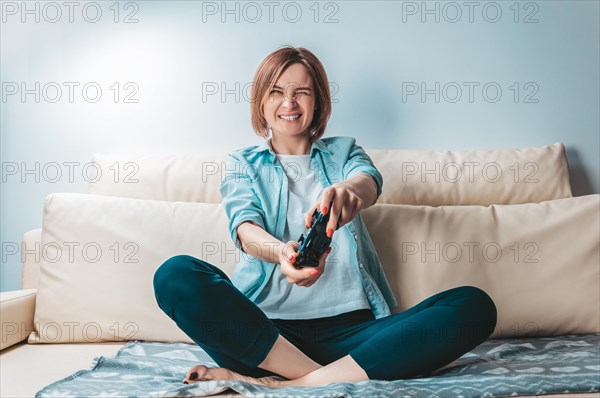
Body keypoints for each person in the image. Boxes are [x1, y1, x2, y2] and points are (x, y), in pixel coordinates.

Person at [153, 46, 497, 388]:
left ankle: (290, 384)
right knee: (175, 275)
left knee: (473, 305)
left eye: (301, 92)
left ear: (317, 102)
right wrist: (281, 254)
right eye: (276, 92)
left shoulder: (344, 151)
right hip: (264, 338)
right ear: (261, 101)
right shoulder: (243, 164)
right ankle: (320, 378)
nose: (289, 103)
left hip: (357, 338)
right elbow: (244, 227)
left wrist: (349, 191)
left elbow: (367, 182)